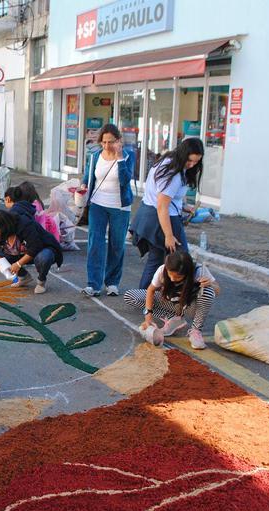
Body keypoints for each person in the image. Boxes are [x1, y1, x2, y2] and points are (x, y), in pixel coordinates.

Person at [130, 138, 204, 289]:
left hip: (149, 214)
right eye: (190, 161)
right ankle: (154, 296)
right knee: (182, 260)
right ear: (183, 154)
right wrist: (169, 235)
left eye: (196, 162)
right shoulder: (173, 173)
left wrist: (183, 206)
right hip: (160, 218)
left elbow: (166, 197)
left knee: (157, 259)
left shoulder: (168, 161)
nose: (192, 165)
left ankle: (146, 295)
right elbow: (162, 206)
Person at [78, 124, 135, 297]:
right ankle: (93, 284)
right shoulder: (95, 156)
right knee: (95, 243)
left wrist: (119, 158)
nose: (107, 146)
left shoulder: (127, 156)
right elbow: (88, 176)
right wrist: (82, 186)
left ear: (119, 141)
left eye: (111, 142)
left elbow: (125, 180)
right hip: (98, 204)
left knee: (116, 245)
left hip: (120, 206)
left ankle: (112, 283)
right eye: (104, 142)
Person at [124, 250, 219, 350]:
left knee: (208, 290)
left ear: (187, 273)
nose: (173, 279)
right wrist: (148, 317)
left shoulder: (199, 271)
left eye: (178, 277)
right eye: (170, 274)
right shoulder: (162, 270)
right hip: (172, 303)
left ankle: (196, 330)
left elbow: (217, 291)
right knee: (131, 296)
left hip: (189, 306)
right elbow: (150, 290)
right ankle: (174, 318)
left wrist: (210, 284)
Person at [0, 207, 63, 294]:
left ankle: (41, 281)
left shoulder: (25, 225)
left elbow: (35, 247)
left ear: (5, 227)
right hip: (24, 253)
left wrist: (18, 264)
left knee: (44, 257)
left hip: (42, 249)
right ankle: (24, 277)